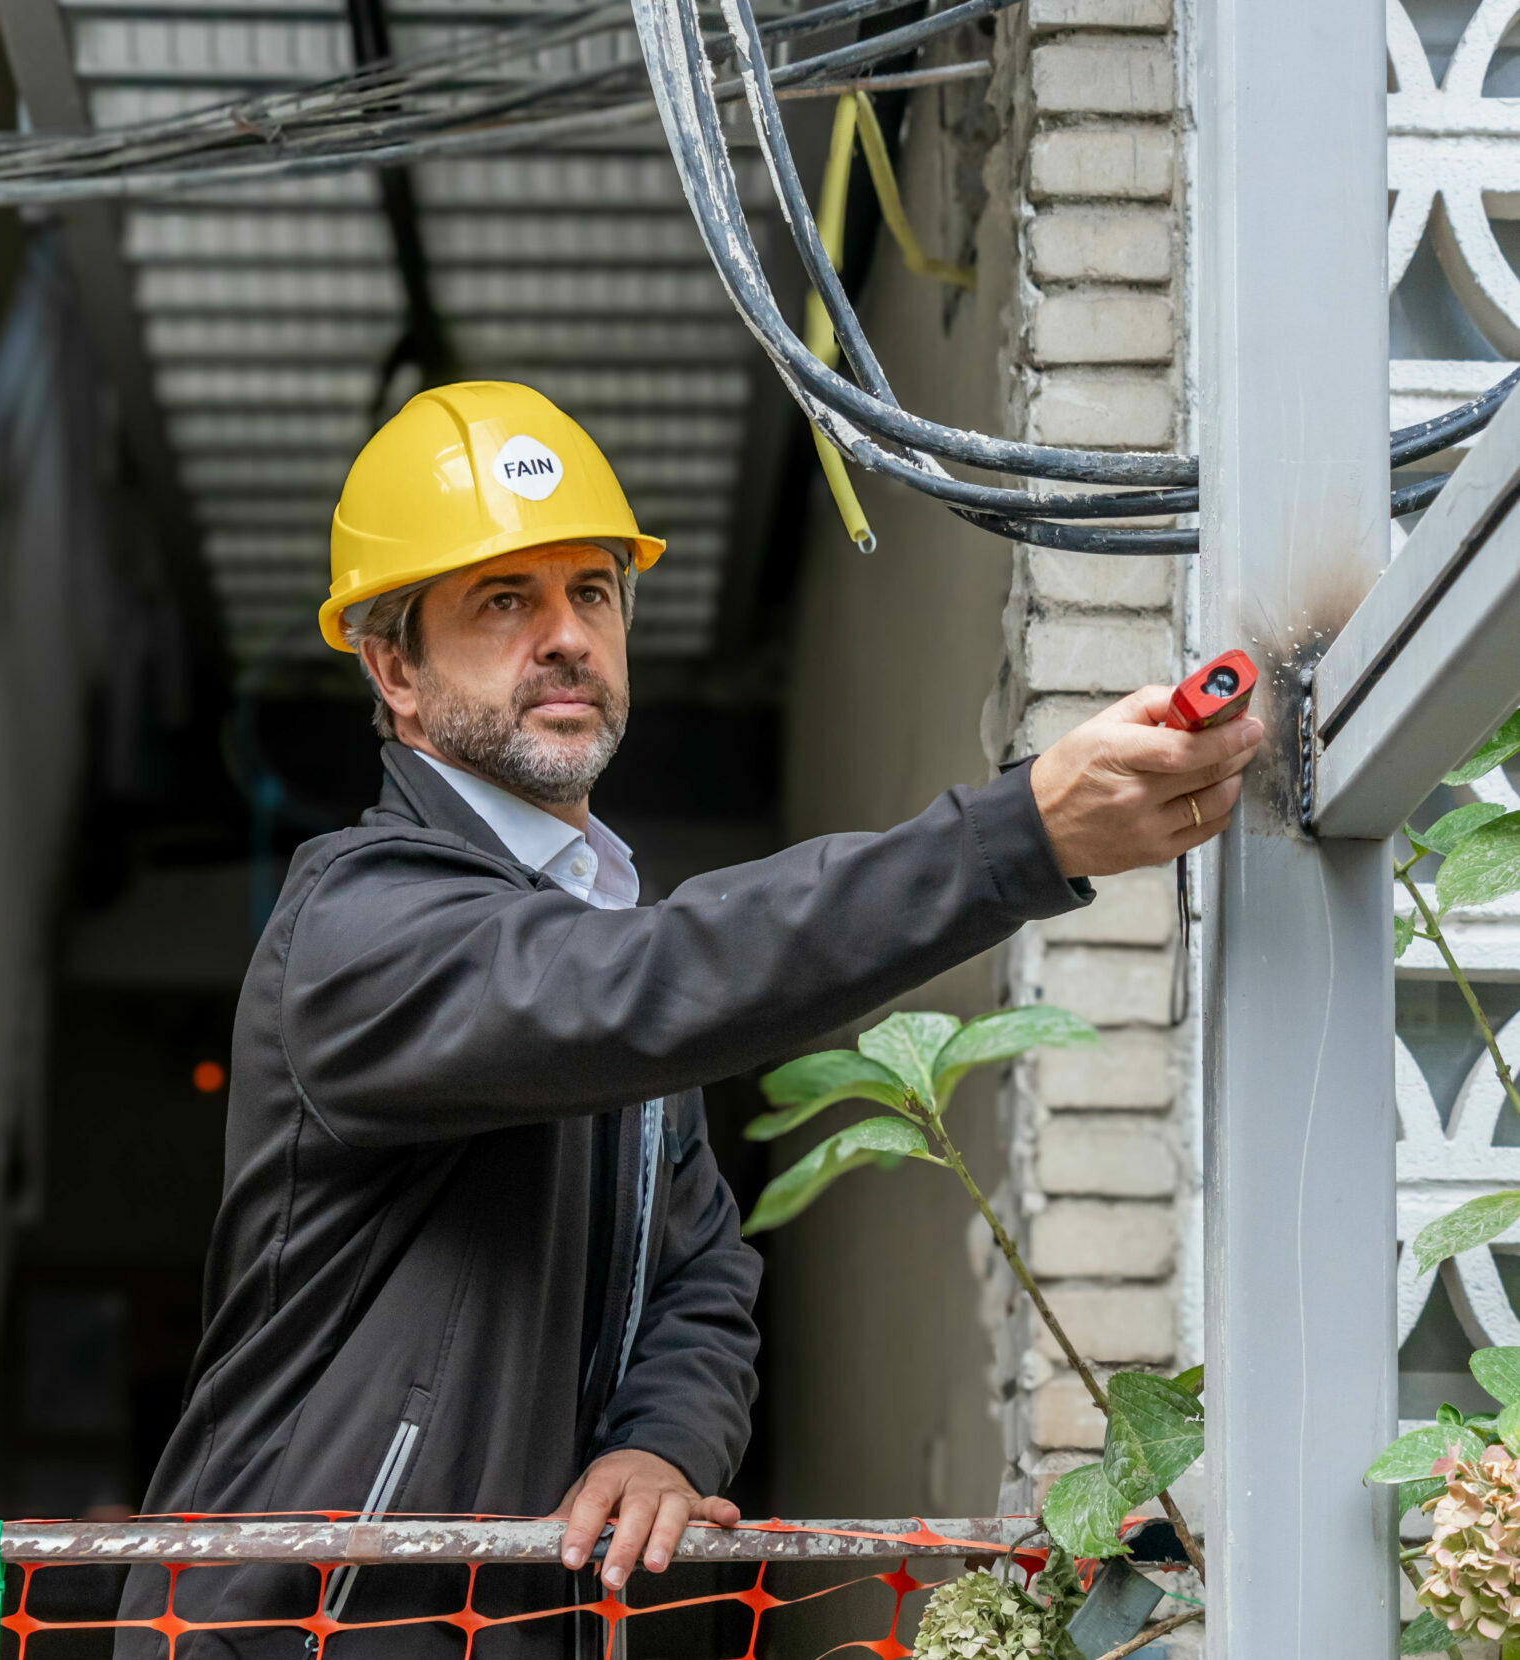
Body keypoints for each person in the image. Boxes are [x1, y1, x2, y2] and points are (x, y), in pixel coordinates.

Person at [124, 382, 1261, 1659]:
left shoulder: (603, 934)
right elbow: (644, 983)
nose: (567, 637)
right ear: (394, 668)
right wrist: (1018, 835)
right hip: (301, 1636)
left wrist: (662, 1441)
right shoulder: (357, 927)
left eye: (592, 592)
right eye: (504, 601)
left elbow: (702, 1272)